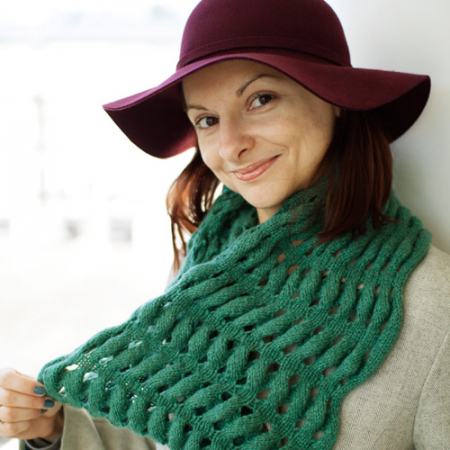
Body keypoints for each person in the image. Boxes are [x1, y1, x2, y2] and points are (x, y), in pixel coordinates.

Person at [1, 0, 450, 449]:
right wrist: (53, 430)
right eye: (207, 120)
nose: (230, 145)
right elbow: (167, 433)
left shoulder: (433, 310)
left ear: (335, 99)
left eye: (260, 99)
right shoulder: (207, 265)